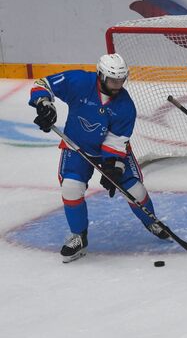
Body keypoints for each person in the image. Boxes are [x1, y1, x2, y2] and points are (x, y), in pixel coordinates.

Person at [29, 53, 169, 263]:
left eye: (121, 80)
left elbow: (116, 141)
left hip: (111, 151)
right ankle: (79, 236)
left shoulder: (125, 105)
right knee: (71, 187)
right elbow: (44, 83)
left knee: (134, 189)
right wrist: (43, 103)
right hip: (77, 148)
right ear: (101, 76)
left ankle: (151, 220)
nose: (117, 84)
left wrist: (113, 167)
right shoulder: (79, 82)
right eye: (113, 80)